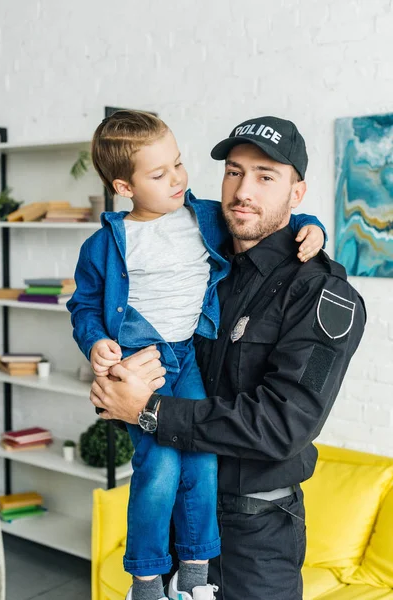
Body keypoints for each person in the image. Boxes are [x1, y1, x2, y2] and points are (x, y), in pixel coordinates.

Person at [89, 115, 367, 600]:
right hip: (177, 522)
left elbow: (283, 425)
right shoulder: (202, 265)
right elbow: (155, 371)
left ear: (296, 193)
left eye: (266, 176)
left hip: (254, 542)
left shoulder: (321, 292)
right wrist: (118, 385)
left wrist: (149, 411)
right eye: (234, 171)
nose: (243, 191)